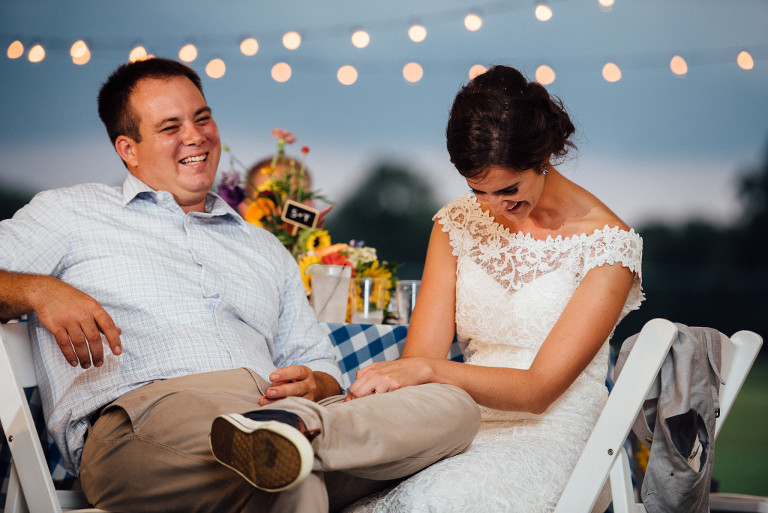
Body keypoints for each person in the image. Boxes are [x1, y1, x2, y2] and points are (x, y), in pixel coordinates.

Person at [0, 57, 481, 513]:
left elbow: (319, 362)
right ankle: (291, 435)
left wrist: (316, 385)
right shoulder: (71, 213)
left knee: (453, 408)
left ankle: (291, 433)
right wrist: (40, 291)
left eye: (202, 118)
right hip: (146, 421)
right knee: (286, 470)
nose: (196, 137)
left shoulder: (263, 246)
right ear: (128, 149)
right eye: (171, 128)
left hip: (272, 413)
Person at [344, 65, 644, 512]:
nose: (494, 207)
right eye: (478, 191)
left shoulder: (608, 246)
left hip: (555, 434)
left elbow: (538, 391)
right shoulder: (456, 223)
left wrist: (431, 370)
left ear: (542, 157)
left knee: (441, 501)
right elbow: (420, 355)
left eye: (509, 189)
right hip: (454, 425)